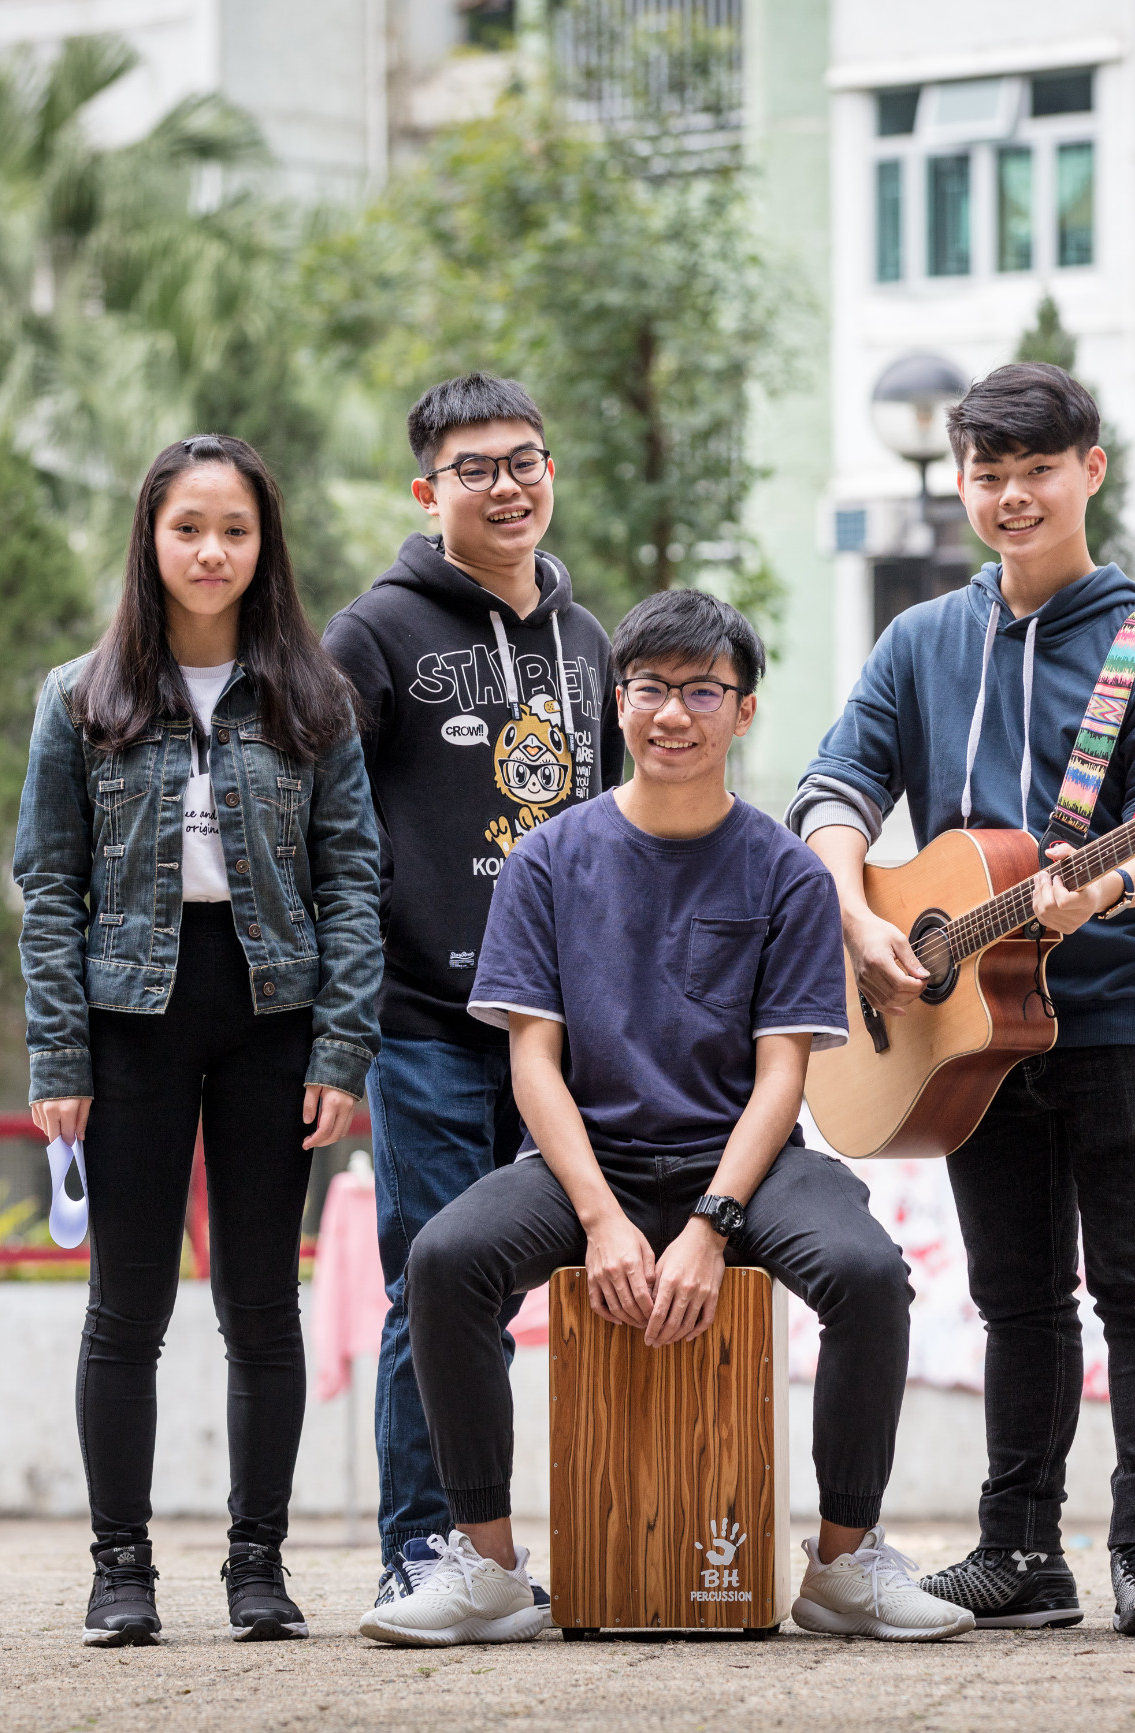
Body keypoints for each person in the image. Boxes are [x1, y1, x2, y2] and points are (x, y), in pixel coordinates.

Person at [359, 589, 972, 1648]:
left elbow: (781, 1076)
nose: (673, 713)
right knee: (444, 1260)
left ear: (743, 711)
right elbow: (533, 1065)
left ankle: (842, 1563)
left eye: (702, 691)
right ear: (617, 701)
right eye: (649, 688)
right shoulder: (548, 859)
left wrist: (710, 1225)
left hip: (744, 1162)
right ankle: (488, 1567)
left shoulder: (785, 870)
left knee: (868, 1274)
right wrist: (601, 1217)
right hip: (587, 1160)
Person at [789, 363, 1135, 1638]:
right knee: (1016, 1296)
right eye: (989, 474)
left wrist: (1105, 890)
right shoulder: (921, 640)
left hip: (1126, 1014)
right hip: (965, 1032)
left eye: (1038, 470)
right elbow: (834, 784)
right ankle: (1020, 1552)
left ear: (1090, 471)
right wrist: (854, 911)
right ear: (963, 481)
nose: (1012, 496)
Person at [15, 434, 382, 1646]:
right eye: (188, 527)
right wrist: (58, 1058)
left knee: (260, 1305)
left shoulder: (313, 699)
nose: (211, 550)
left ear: (263, 543)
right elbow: (49, 886)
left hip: (273, 1017)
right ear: (151, 540)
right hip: (131, 1020)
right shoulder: (81, 698)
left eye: (234, 528)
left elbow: (353, 878)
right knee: (125, 1308)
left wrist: (340, 1047)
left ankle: (256, 1567)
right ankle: (119, 1569)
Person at [321, 374, 622, 1607]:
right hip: (427, 1025)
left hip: (573, 1032)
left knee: (592, 1278)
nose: (507, 486)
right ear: (426, 489)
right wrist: (341, 1019)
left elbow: (620, 831)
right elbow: (327, 833)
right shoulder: (371, 636)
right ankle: (422, 1553)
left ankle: (584, 1547)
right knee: (436, 1285)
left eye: (524, 461)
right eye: (475, 468)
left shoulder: (593, 644)